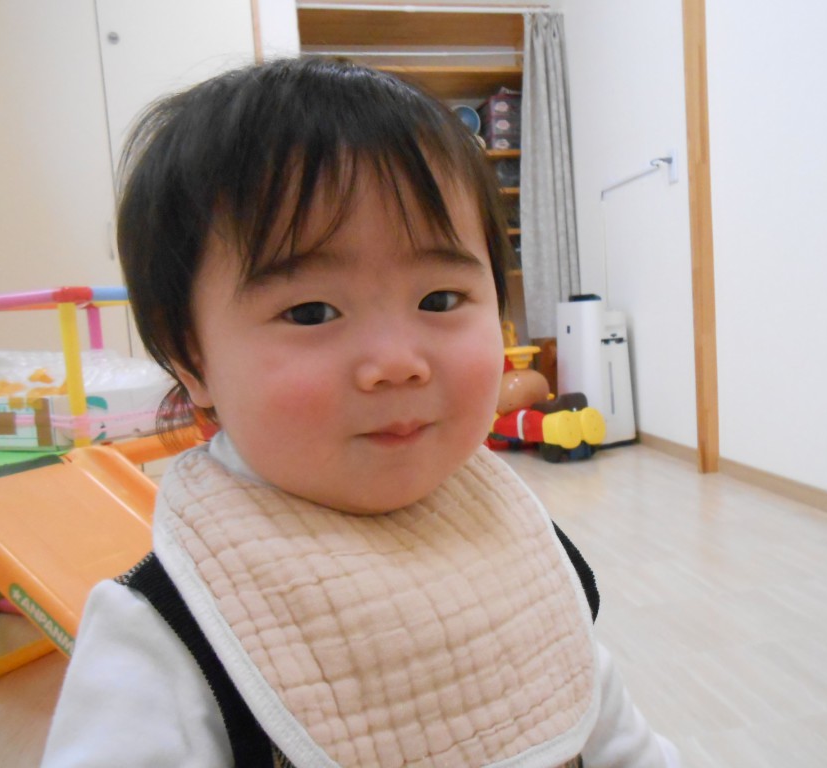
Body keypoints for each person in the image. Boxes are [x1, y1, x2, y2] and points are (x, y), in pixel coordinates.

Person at [42, 57, 681, 768]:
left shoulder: (521, 545)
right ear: (191, 357)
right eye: (312, 312)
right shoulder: (164, 637)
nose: (397, 362)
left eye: (440, 300)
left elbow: (619, 740)